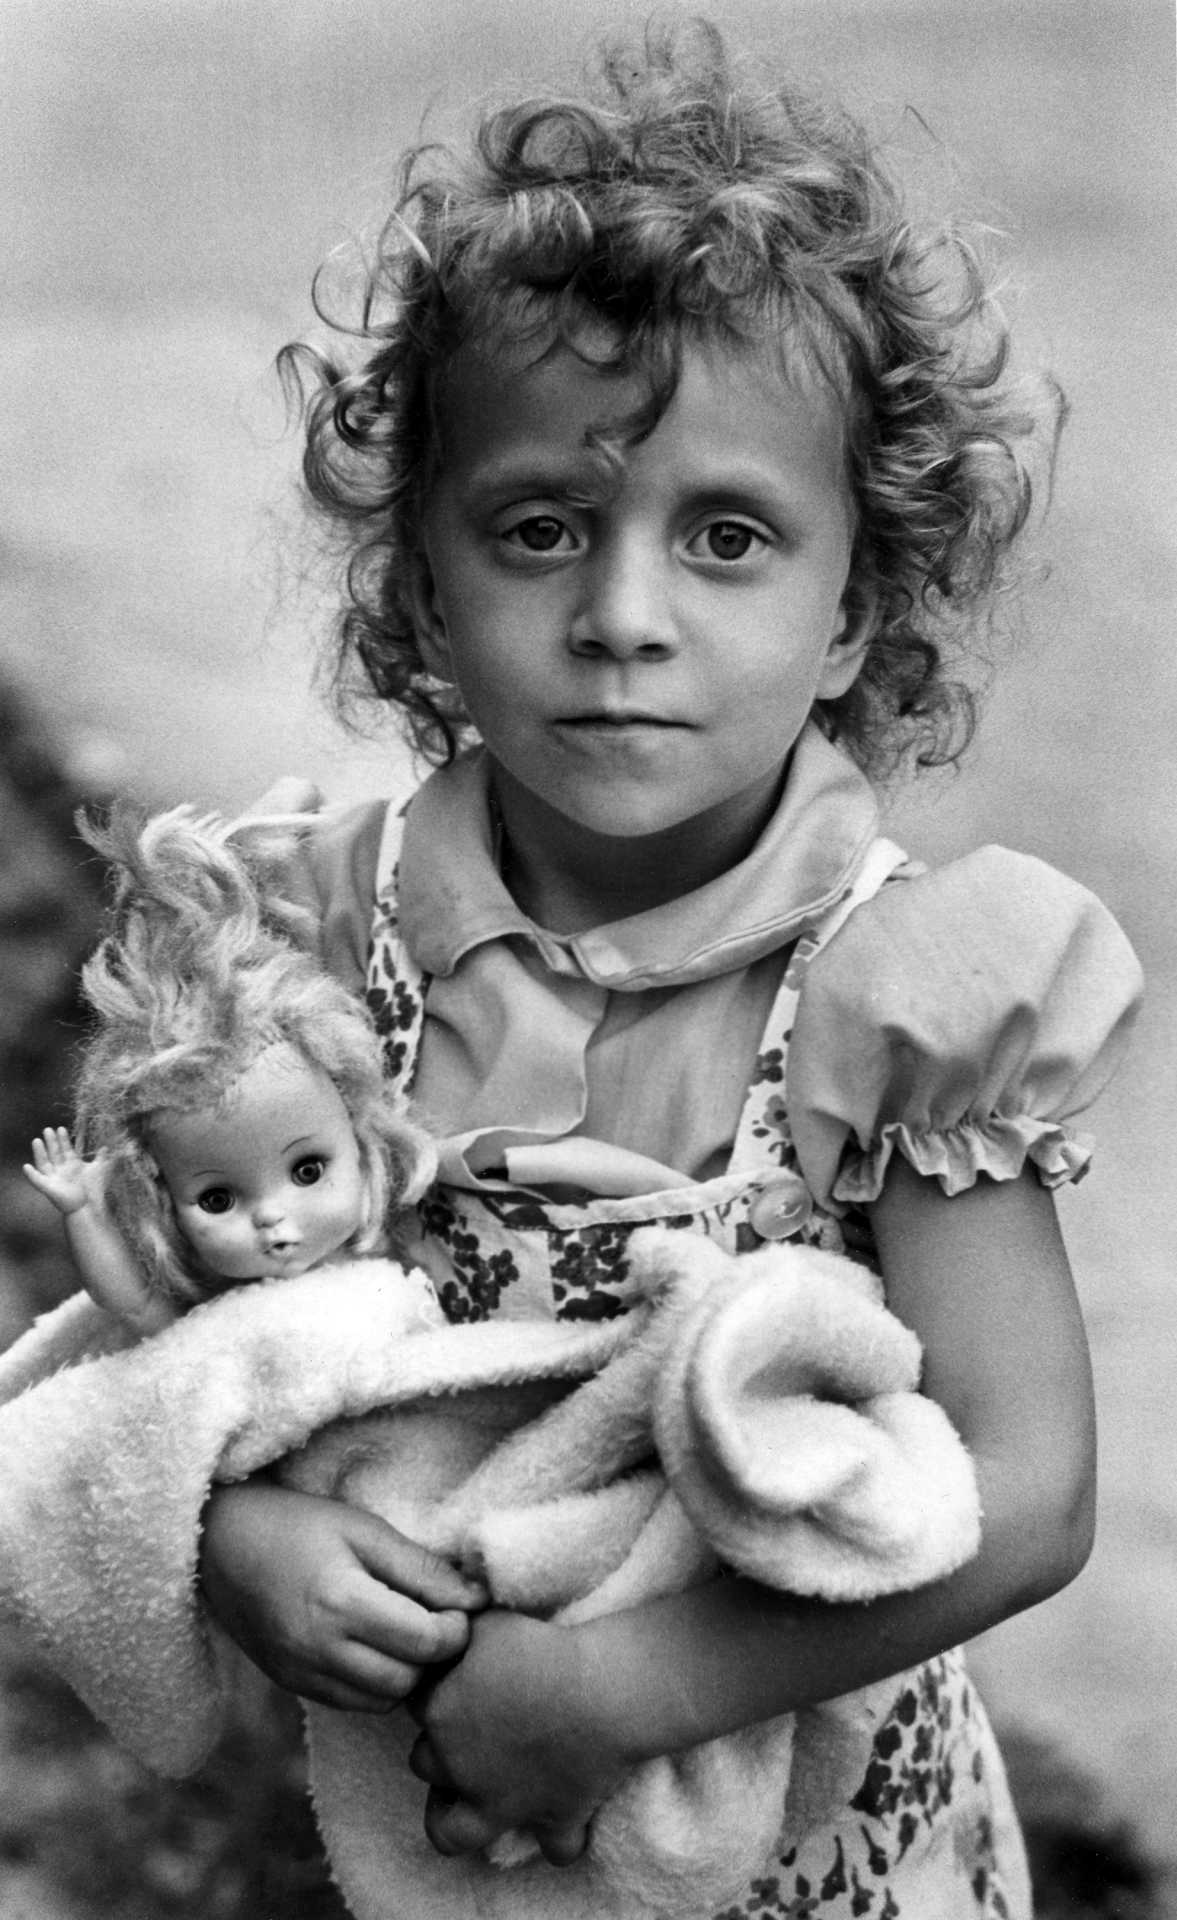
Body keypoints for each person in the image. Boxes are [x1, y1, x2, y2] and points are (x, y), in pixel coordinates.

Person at [192, 22, 1142, 1917]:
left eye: (725, 537)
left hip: (833, 1861)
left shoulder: (911, 990)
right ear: (425, 587)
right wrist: (232, 1534)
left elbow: (1026, 1492)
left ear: (850, 607)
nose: (621, 618)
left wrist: (625, 1693)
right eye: (540, 529)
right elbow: (169, 1342)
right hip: (450, 1845)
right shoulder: (310, 943)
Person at [21, 804, 437, 1331]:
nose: (270, 1216)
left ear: (360, 1138)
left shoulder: (386, 1267)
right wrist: (82, 1211)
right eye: (216, 1200)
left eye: (308, 1170)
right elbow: (134, 1305)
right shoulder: (223, 1316)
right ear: (162, 1206)